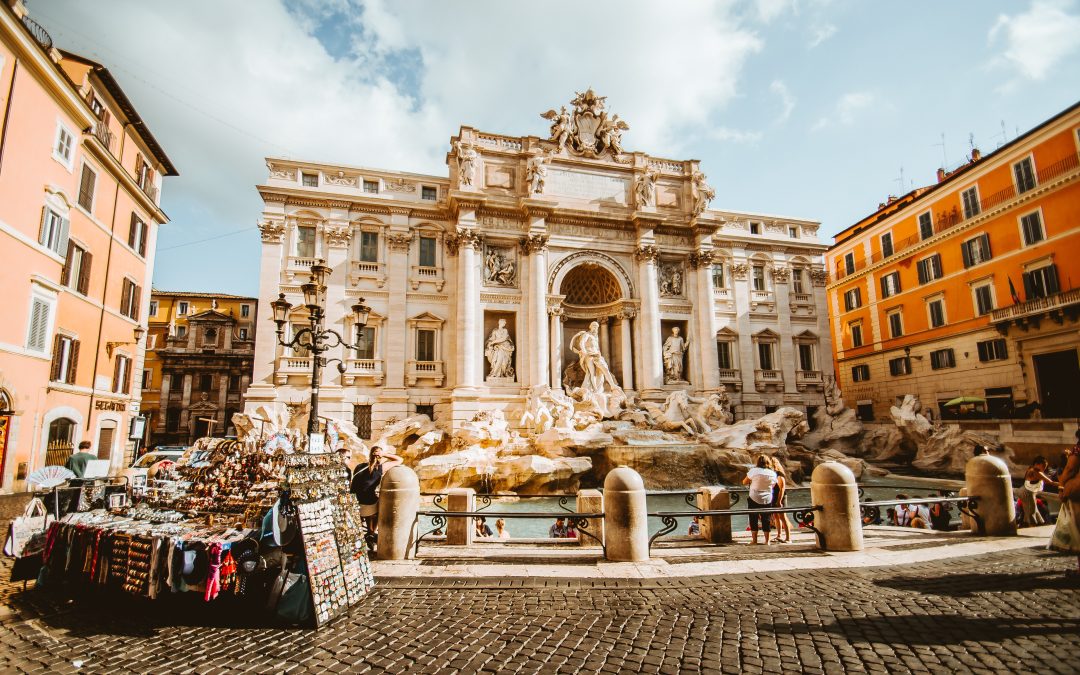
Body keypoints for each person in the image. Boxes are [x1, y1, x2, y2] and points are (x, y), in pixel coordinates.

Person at [350, 446, 404, 538]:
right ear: (380, 456)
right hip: (367, 505)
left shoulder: (359, 466)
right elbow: (400, 460)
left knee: (370, 499)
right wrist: (385, 454)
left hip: (355, 503)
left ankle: (369, 529)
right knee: (382, 506)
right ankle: (372, 531)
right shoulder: (380, 468)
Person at [1049, 429, 1080, 575]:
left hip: (1077, 494)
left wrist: (1062, 486)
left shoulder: (1078, 449)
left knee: (1077, 529)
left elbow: (1069, 468)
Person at [742, 455, 777, 545]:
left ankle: (754, 540)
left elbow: (744, 482)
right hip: (767, 498)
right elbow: (773, 485)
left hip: (754, 497)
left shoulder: (754, 471)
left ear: (758, 462)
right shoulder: (772, 473)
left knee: (753, 519)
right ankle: (767, 541)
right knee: (766, 519)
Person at [1021, 456, 1058, 526]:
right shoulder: (1035, 472)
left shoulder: (1031, 469)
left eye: (1045, 467)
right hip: (1029, 496)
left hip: (1029, 496)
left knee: (1035, 514)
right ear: (1037, 464)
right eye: (1043, 466)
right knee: (1034, 514)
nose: (1044, 469)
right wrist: (1063, 484)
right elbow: (1051, 482)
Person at [768, 456, 792, 543]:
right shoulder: (774, 474)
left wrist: (779, 501)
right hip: (774, 498)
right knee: (776, 517)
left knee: (783, 517)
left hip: (780, 498)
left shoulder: (779, 474)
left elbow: (782, 489)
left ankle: (788, 538)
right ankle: (779, 535)